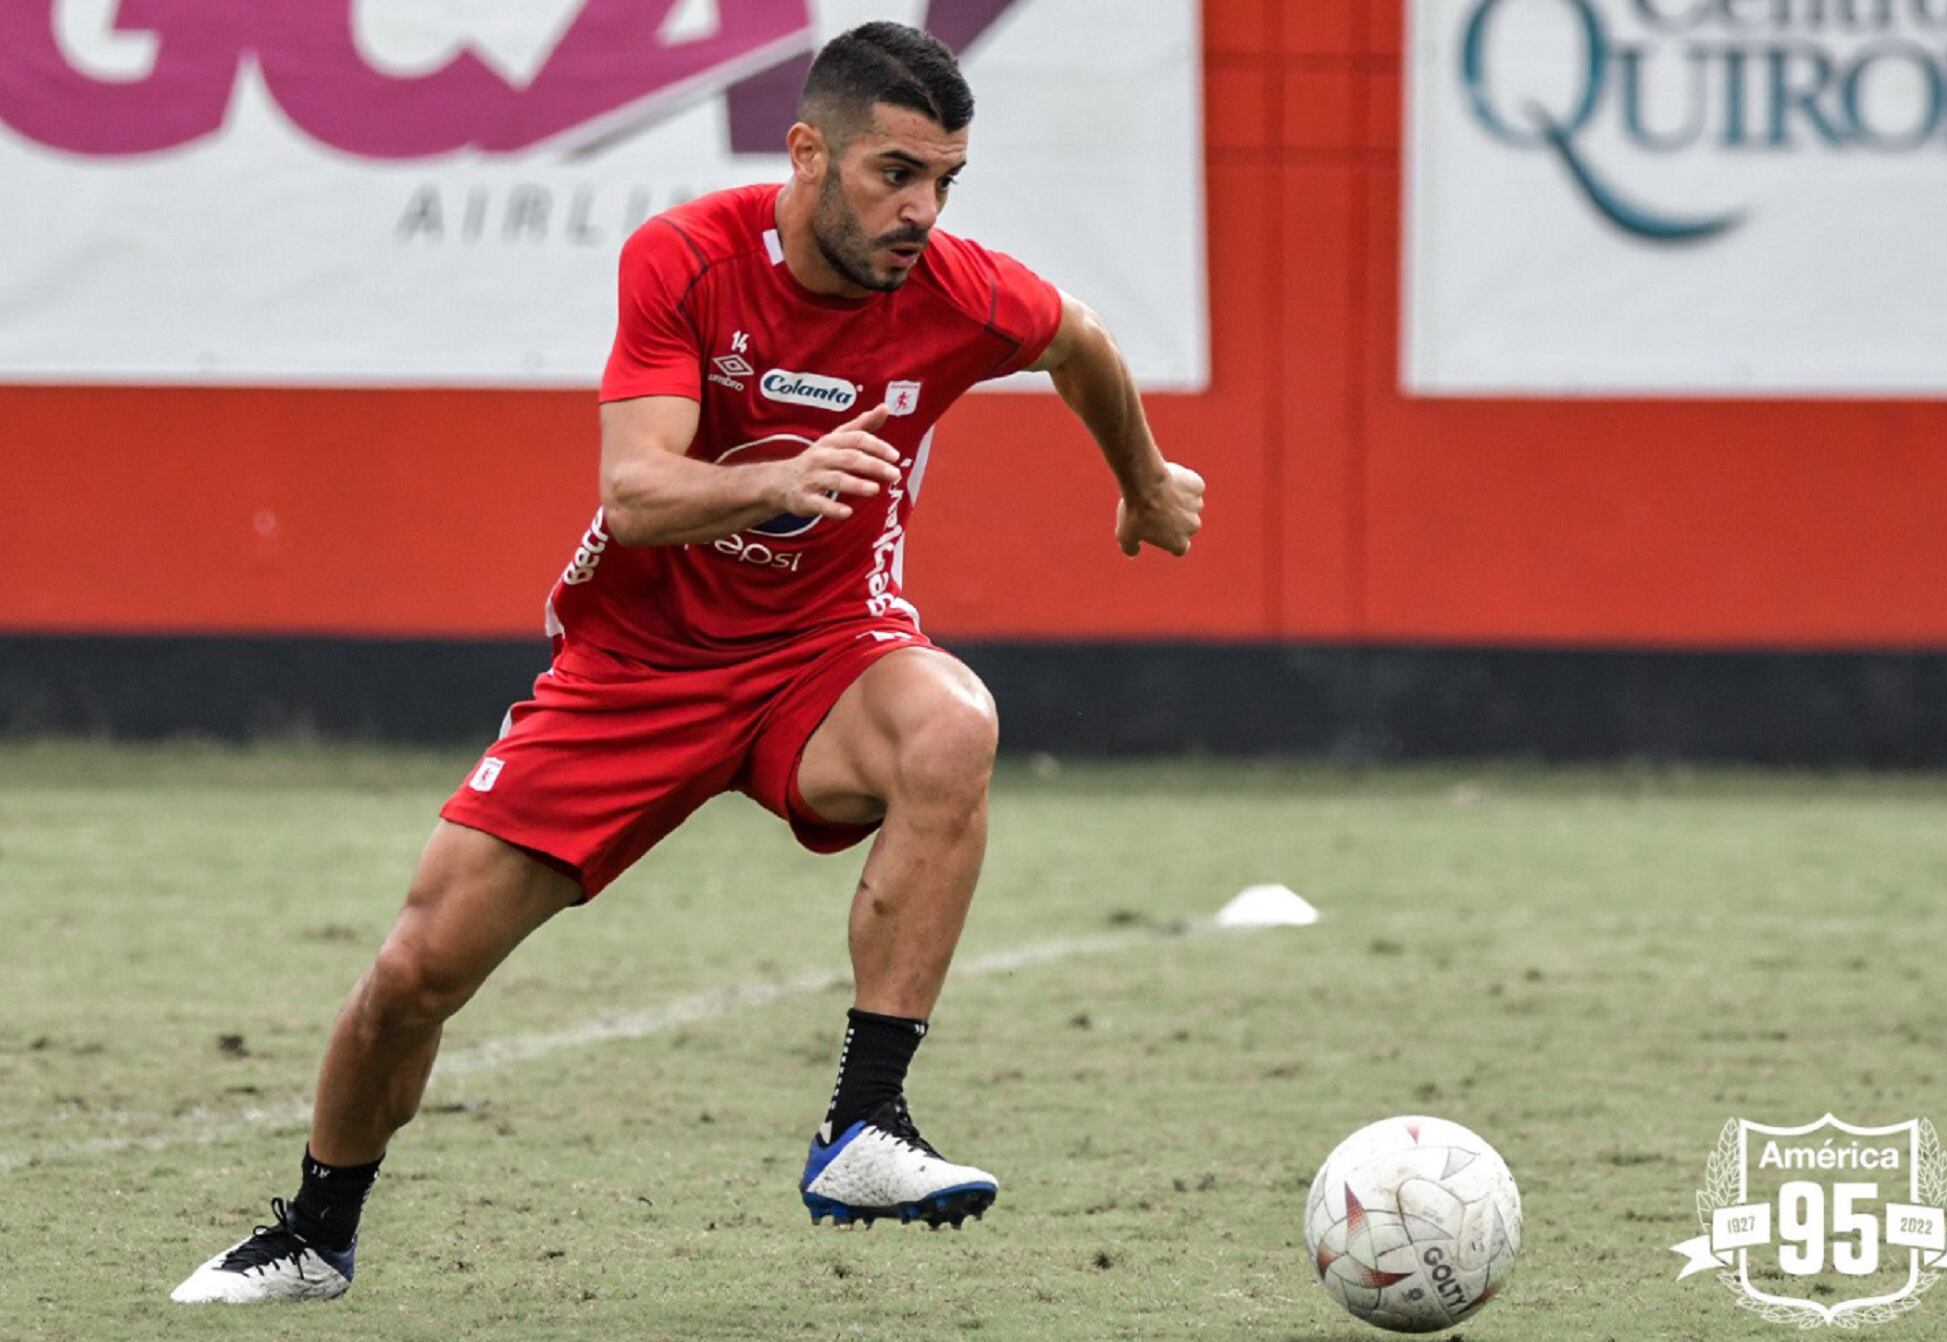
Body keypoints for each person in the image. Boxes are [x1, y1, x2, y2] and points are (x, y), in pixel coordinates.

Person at [171, 20, 1204, 1304]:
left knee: (952, 723)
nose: (920, 211)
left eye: (944, 180)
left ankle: (864, 1127)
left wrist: (1143, 478)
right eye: (894, 173)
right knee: (414, 974)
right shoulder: (686, 257)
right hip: (636, 670)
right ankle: (316, 1232)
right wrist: (778, 479)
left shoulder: (955, 288)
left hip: (825, 654)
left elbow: (1081, 341)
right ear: (806, 151)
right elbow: (638, 490)